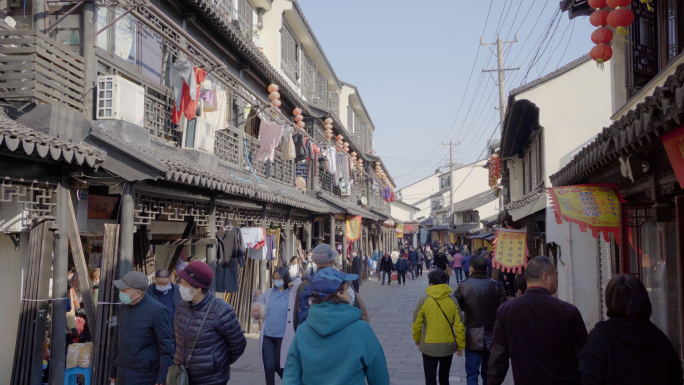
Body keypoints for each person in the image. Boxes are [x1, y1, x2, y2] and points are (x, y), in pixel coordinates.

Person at [487, 256, 587, 385]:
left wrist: (492, 382)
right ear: (545, 277)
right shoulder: (568, 311)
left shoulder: (507, 310)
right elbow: (584, 356)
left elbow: (498, 356)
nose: (557, 279)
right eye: (555, 274)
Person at [283, 268, 390, 385]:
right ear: (340, 294)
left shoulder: (302, 331)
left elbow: (291, 378)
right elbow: (380, 378)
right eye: (347, 287)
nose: (350, 291)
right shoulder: (362, 331)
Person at [579, 274, 682, 385]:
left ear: (610, 301)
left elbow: (590, 378)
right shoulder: (659, 339)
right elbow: (675, 377)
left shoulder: (600, 339)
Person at [173, 261, 246, 385]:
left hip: (211, 378)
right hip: (182, 376)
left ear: (198, 287)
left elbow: (238, 345)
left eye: (184, 284)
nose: (180, 286)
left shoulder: (221, 310)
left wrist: (216, 363)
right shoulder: (181, 306)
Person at [109, 271, 174, 385]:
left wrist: (162, 377)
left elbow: (167, 348)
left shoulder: (157, 310)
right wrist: (113, 369)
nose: (121, 292)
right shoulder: (123, 308)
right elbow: (117, 341)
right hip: (123, 373)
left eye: (125, 290)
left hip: (145, 375)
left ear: (138, 292)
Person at [454, 255, 506, 385]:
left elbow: (456, 307)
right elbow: (503, 309)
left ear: (471, 269)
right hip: (492, 335)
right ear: (487, 268)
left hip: (472, 335)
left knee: (472, 373)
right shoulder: (496, 285)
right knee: (488, 373)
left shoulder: (464, 285)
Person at [293, 244, 370, 329]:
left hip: (310, 335)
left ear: (314, 261)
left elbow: (296, 317)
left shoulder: (304, 285)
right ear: (332, 260)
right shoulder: (344, 282)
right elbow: (361, 311)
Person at [413, 270, 466, 385]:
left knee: (430, 380)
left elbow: (417, 323)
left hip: (428, 346)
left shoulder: (424, 300)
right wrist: (461, 345)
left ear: (431, 283)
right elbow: (459, 325)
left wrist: (417, 339)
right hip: (447, 346)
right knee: (444, 378)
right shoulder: (452, 300)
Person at [255, 267, 301, 385]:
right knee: (268, 367)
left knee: (281, 367)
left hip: (283, 337)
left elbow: (301, 284)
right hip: (267, 336)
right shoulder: (268, 292)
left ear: (285, 279)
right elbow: (259, 308)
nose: (276, 280)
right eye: (274, 278)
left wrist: (293, 282)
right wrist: (256, 296)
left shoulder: (292, 292)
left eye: (279, 278)